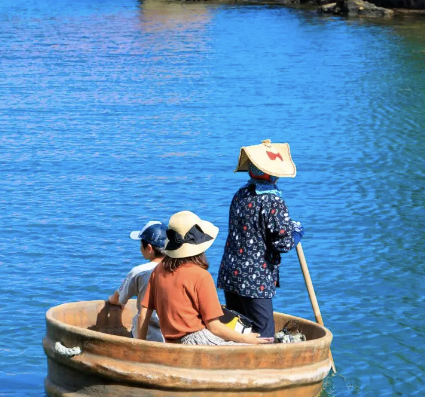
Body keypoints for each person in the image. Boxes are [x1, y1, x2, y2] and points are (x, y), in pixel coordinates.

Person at [216, 140, 304, 342]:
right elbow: (282, 243)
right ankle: (262, 369)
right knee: (264, 334)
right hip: (255, 277)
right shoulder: (273, 200)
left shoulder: (241, 194)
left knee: (238, 328)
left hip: (232, 271)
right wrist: (298, 232)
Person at [137, 211, 268, 345]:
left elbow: (143, 314)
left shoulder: (158, 270)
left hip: (172, 342)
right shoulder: (201, 276)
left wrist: (139, 345)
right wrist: (246, 339)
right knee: (248, 344)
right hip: (198, 341)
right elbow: (214, 327)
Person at [107, 220, 168, 342]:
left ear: (149, 248)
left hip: (147, 336)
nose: (140, 248)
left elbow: (116, 299)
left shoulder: (139, 272)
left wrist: (111, 300)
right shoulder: (178, 270)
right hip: (171, 337)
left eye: (141, 244)